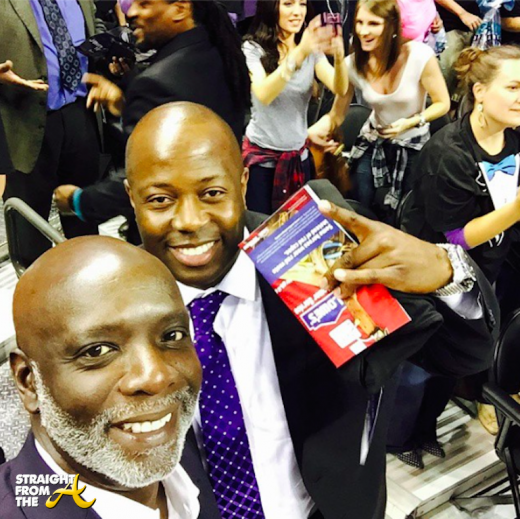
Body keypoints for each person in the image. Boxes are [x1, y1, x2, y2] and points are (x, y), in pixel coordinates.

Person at [124, 101, 499, 519]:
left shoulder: (317, 253)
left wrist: (445, 271)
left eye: (212, 193)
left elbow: (464, 356)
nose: (190, 220)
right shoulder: (111, 301)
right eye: (160, 199)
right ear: (131, 198)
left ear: (243, 181)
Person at [0, 236, 203, 519]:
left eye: (172, 335)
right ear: (29, 382)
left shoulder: (182, 446)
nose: (155, 377)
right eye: (97, 351)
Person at [54, 0, 250, 242]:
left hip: (178, 233)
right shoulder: (218, 50)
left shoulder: (155, 83)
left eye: (144, 3)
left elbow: (145, 180)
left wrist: (79, 202)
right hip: (224, 210)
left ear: (180, 9)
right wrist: (123, 106)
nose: (131, 12)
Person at [312, 0, 450, 224]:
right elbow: (336, 115)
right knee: (359, 204)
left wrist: (411, 122)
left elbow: (442, 103)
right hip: (374, 139)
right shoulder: (352, 64)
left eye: (373, 24)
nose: (363, 31)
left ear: (391, 26)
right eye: (359, 22)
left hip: (412, 143)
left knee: (403, 213)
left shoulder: (420, 56)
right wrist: (309, 133)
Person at [404, 45, 520, 284]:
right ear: (480, 92)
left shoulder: (513, 135)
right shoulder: (447, 156)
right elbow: (456, 240)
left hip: (500, 258)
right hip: (451, 273)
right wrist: (515, 210)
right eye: (513, 87)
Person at [0, 0, 102, 267]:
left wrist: (109, 57)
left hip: (81, 112)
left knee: (83, 217)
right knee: (30, 231)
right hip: (22, 121)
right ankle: (36, 288)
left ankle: (90, 280)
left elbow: (94, 26)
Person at [242, 0, 348, 214]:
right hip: (262, 161)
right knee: (263, 226)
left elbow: (340, 87)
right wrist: (299, 53)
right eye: (288, 4)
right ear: (272, 8)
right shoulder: (253, 48)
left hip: (299, 158)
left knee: (298, 224)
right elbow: (264, 94)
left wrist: (338, 56)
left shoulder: (310, 49)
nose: (297, 12)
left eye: (302, 4)